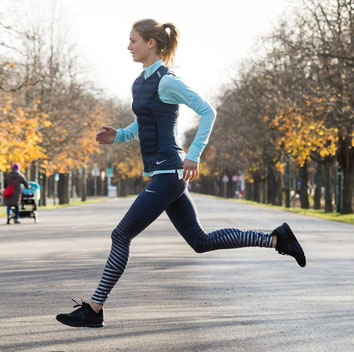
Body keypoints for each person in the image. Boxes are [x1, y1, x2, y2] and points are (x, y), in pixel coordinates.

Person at [56, 19, 306, 328]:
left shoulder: (167, 81)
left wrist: (194, 155)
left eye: (133, 40)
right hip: (163, 173)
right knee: (200, 241)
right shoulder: (140, 82)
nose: (128, 46)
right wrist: (118, 135)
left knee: (121, 235)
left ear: (151, 43)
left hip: (170, 173)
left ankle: (94, 309)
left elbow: (207, 111)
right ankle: (276, 239)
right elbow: (144, 124)